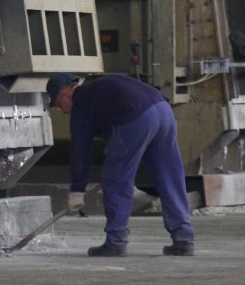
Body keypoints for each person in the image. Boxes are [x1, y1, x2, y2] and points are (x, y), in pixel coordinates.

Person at [46, 72, 195, 257]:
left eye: (59, 105)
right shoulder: (101, 88)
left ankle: (115, 241)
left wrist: (77, 189)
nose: (63, 111)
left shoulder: (82, 103)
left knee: (115, 179)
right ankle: (184, 239)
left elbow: (80, 151)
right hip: (163, 111)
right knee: (169, 177)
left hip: (136, 117)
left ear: (65, 95)